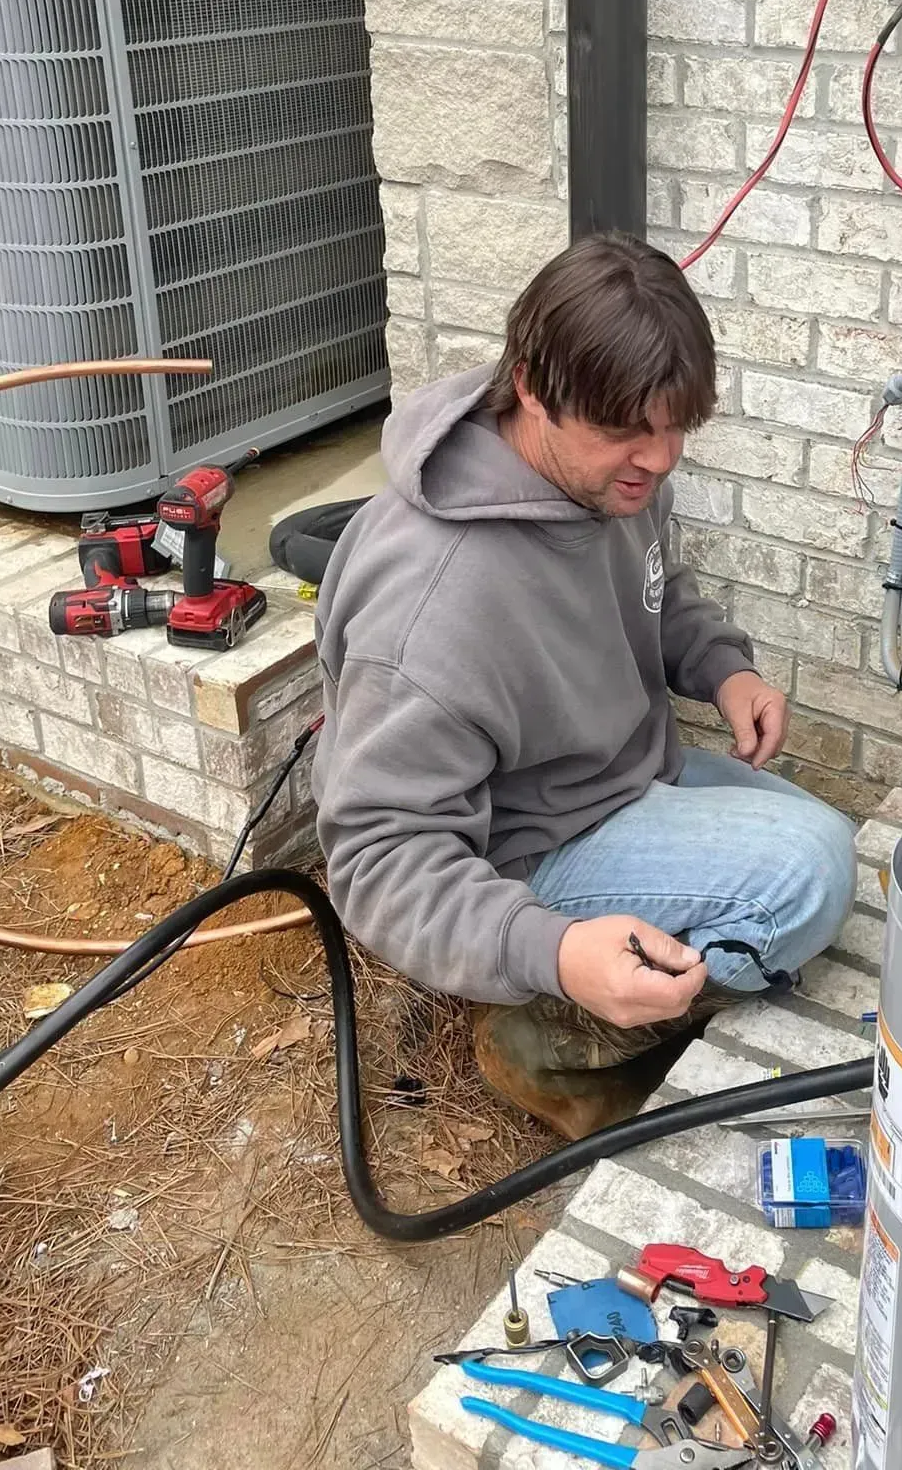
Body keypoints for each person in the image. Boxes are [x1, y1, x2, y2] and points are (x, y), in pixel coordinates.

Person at [311, 232, 857, 1137]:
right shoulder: (435, 604)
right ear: (531, 387)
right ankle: (549, 1036)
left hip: (619, 780)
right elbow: (376, 859)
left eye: (677, 427)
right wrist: (555, 952)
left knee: (809, 833)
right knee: (802, 876)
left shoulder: (610, 480)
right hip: (519, 846)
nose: (661, 457)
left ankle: (612, 984)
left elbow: (655, 588)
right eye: (627, 433)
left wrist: (724, 668)